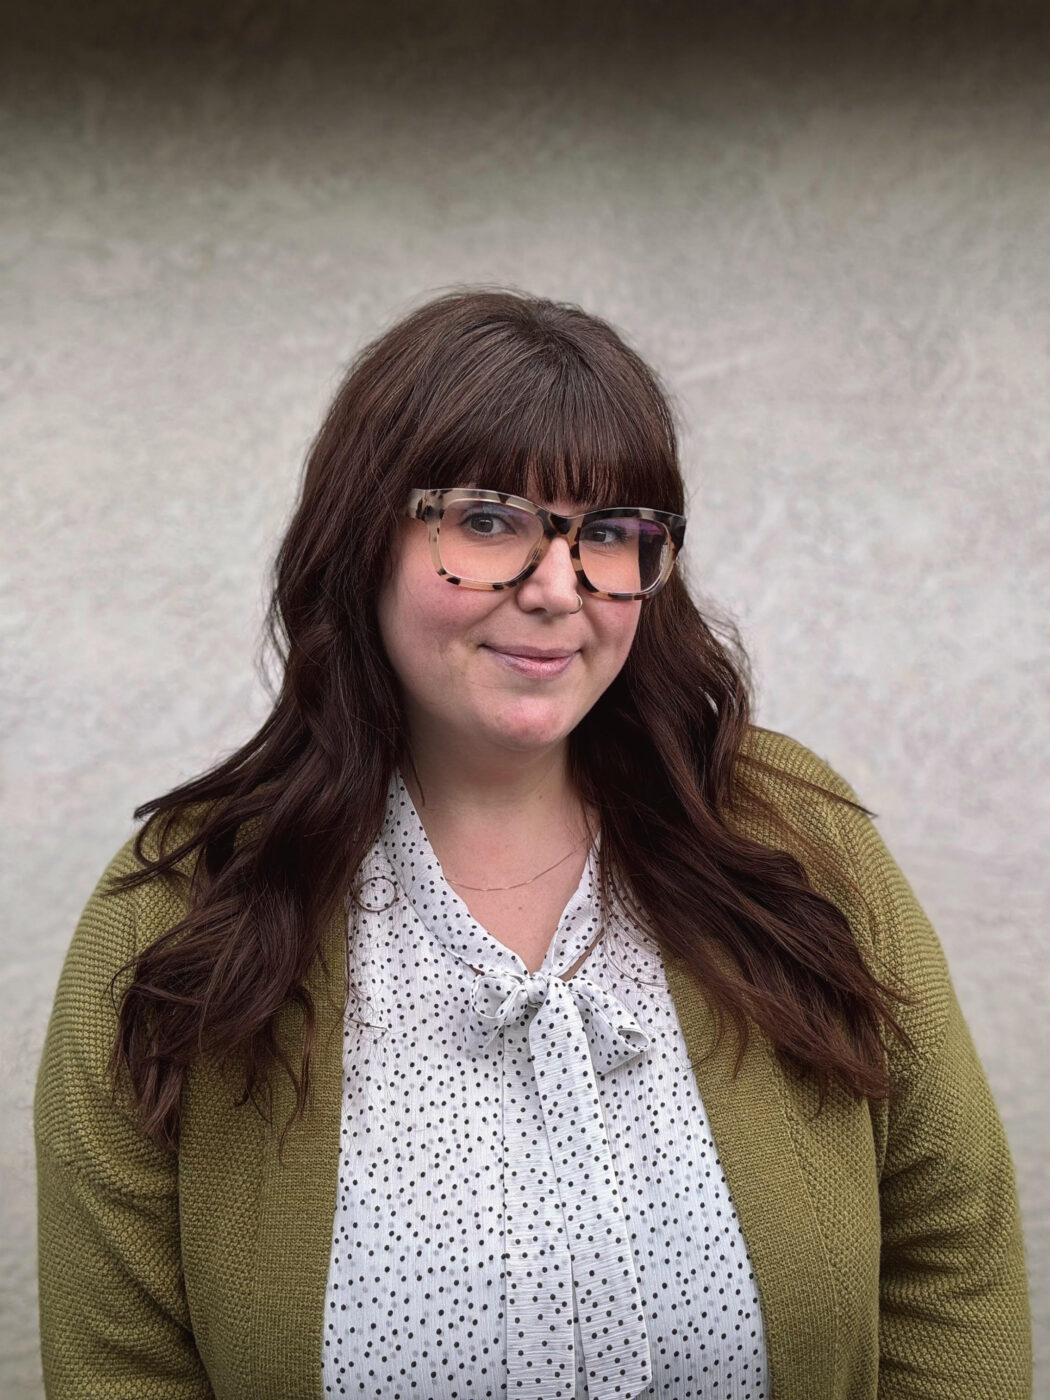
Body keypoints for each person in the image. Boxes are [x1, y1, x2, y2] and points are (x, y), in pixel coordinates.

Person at [35, 288, 1030, 1400]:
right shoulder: (176, 908)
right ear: (361, 540)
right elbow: (121, 1364)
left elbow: (951, 1258)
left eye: (608, 533)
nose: (557, 589)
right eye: (487, 522)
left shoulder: (796, 837)